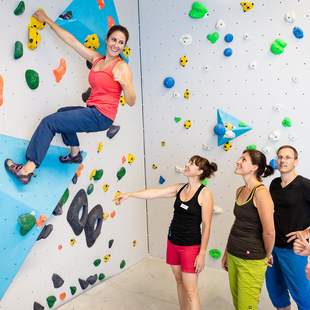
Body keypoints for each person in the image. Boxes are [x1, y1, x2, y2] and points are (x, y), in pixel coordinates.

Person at [5, 9, 136, 184]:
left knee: (49, 122)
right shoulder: (97, 59)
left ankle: (27, 168)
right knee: (63, 112)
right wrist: (48, 21)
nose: (116, 45)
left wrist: (126, 85)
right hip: (93, 111)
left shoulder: (121, 68)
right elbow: (72, 41)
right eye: (114, 40)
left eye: (121, 42)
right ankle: (75, 155)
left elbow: (131, 101)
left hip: (101, 116)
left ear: (123, 46)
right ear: (107, 40)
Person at [114, 155, 217, 310]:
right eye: (188, 161)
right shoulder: (179, 188)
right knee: (179, 281)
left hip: (190, 247)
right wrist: (129, 194)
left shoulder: (205, 193)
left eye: (192, 164)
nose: (187, 165)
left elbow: (207, 226)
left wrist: (202, 253)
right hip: (173, 242)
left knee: (191, 291)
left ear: (200, 171)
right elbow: (154, 193)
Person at [222, 149, 275, 310]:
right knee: (238, 304)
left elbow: (269, 232)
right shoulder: (239, 190)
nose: (238, 161)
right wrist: (226, 252)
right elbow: (237, 223)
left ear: (254, 167)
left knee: (247, 306)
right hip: (233, 254)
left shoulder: (261, 193)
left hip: (252, 258)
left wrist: (266, 255)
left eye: (243, 159)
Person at [265, 145, 310, 310]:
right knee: (276, 292)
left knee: (303, 296)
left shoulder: (305, 185)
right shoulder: (274, 184)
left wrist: (306, 232)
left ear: (296, 161)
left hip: (294, 250)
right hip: (272, 248)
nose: (283, 160)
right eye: (280, 157)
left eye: (288, 157)